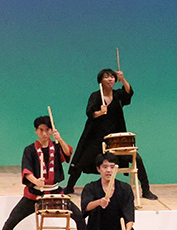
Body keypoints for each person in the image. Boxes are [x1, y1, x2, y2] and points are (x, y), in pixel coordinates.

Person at [0, 116, 85, 230]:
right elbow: (26, 171)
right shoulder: (29, 150)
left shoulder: (56, 146)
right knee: (11, 220)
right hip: (35, 193)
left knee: (78, 216)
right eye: (41, 130)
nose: (44, 133)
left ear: (51, 130)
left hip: (55, 192)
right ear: (36, 131)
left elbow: (67, 153)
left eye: (47, 130)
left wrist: (59, 139)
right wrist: (36, 181)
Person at [65, 69, 157, 199]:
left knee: (136, 158)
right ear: (100, 81)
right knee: (80, 161)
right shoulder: (95, 96)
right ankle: (69, 187)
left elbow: (129, 93)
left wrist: (122, 79)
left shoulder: (118, 95)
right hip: (95, 137)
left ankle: (146, 190)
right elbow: (90, 113)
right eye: (106, 77)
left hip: (115, 139)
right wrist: (100, 112)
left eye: (112, 77)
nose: (110, 79)